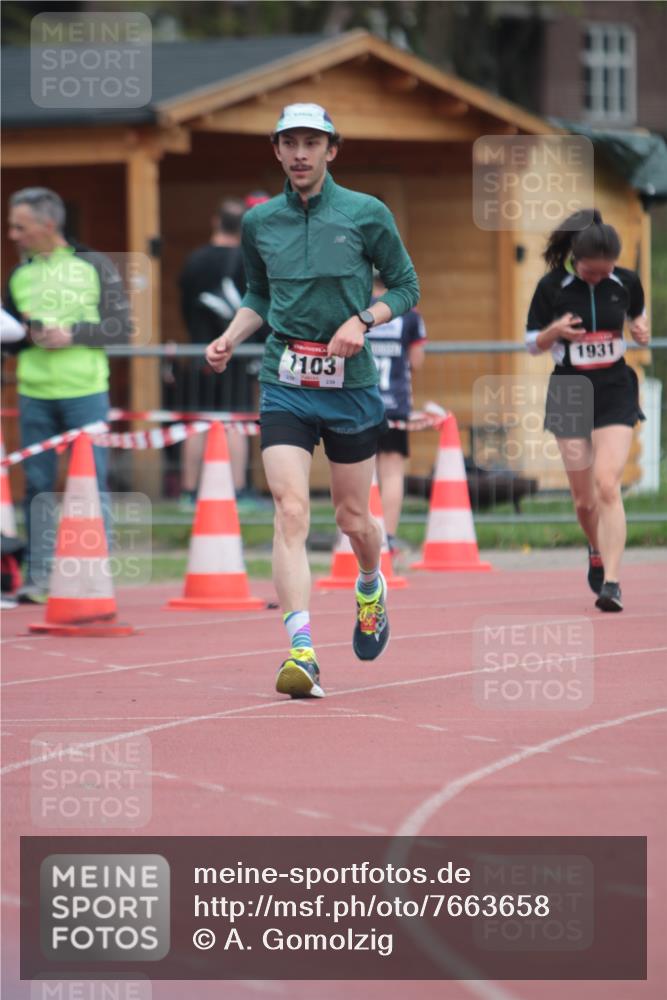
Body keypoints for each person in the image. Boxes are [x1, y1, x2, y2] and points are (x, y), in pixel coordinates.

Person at [206, 103, 419, 697]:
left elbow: (406, 286)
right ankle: (301, 651)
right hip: (285, 381)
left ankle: (370, 583)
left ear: (332, 150)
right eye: (289, 142)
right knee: (290, 510)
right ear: (276, 151)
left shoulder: (365, 213)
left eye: (312, 142)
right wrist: (231, 335)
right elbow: (257, 293)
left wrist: (363, 320)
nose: (300, 152)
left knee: (354, 519)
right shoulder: (260, 222)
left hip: (349, 387)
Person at [4, 187, 132, 602]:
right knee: (37, 486)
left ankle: (96, 574)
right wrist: (24, 337)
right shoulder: (19, 275)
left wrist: (70, 335)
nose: (12, 235)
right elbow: (11, 339)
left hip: (86, 391)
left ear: (48, 224)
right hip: (33, 393)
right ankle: (40, 579)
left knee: (91, 486)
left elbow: (121, 325)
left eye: (19, 226)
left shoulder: (93, 265)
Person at [526, 209, 649, 612]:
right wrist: (555, 332)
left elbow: (637, 318)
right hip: (569, 391)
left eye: (604, 271)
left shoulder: (626, 282)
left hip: (614, 387)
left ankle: (611, 582)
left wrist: (641, 329)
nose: (597, 278)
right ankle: (596, 549)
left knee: (608, 484)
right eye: (590, 272)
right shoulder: (552, 287)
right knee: (583, 500)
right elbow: (532, 343)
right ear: (575, 261)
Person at [178, 197, 248, 508]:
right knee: (236, 422)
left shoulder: (194, 260)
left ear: (215, 221)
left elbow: (184, 304)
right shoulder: (250, 262)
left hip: (200, 351)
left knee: (197, 422)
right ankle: (239, 491)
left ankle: (189, 492)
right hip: (239, 354)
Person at [366, 272, 426, 552]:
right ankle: (387, 537)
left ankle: (359, 536)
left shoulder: (358, 309)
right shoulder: (409, 314)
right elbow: (417, 361)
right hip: (395, 402)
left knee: (361, 470)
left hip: (361, 401)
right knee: (391, 472)